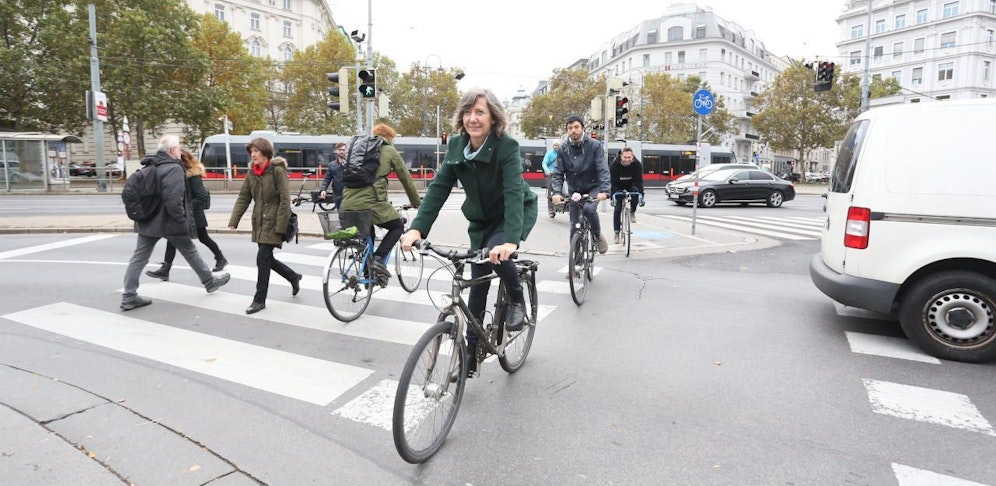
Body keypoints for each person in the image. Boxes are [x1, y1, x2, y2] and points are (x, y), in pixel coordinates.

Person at [400, 88, 538, 378]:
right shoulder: (457, 145)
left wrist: (510, 240)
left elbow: (514, 192)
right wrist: (416, 229)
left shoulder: (506, 146)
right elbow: (439, 188)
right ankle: (471, 357)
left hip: (511, 215)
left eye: (480, 112)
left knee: (498, 255)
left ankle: (517, 298)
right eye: (467, 112)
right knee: (477, 286)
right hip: (481, 221)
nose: (472, 118)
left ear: (493, 118)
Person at [120, 135, 230, 310]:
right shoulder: (173, 168)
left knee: (139, 257)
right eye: (178, 147)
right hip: (169, 221)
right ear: (172, 150)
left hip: (149, 220)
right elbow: (173, 200)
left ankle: (129, 296)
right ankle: (209, 282)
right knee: (190, 250)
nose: (180, 150)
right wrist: (182, 221)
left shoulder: (152, 165)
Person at [339, 123, 421, 284]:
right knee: (397, 226)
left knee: (367, 236)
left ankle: (369, 276)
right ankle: (378, 258)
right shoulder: (388, 150)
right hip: (372, 203)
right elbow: (405, 177)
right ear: (389, 137)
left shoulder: (359, 151)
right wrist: (415, 201)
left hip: (347, 202)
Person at [227, 139, 301, 315]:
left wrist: (280, 227)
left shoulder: (277, 171)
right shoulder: (252, 173)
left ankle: (259, 300)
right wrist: (234, 220)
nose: (253, 155)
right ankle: (293, 276)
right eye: (251, 151)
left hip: (274, 222)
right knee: (267, 259)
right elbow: (244, 197)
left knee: (262, 259)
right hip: (259, 222)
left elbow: (285, 201)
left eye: (256, 151)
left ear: (266, 153)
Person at [146, 149, 228, 280]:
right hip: (185, 213)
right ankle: (165, 269)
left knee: (203, 238)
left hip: (194, 215)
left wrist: (186, 207)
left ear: (183, 162)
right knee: (172, 238)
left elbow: (201, 196)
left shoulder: (193, 175)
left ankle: (220, 258)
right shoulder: (180, 174)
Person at [550, 115, 610, 254]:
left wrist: (605, 190)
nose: (573, 130)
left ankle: (597, 235)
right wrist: (556, 192)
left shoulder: (595, 145)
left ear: (583, 128)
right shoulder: (563, 149)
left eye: (576, 127)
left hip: (593, 187)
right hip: (575, 189)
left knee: (589, 209)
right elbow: (558, 172)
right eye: (570, 128)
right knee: (574, 225)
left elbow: (602, 168)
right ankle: (575, 260)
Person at [610, 147, 645, 244]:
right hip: (618, 186)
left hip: (631, 185)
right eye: (625, 157)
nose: (627, 160)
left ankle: (632, 211)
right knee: (617, 209)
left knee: (635, 194)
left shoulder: (637, 165)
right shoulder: (614, 165)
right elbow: (613, 182)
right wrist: (613, 196)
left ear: (632, 156)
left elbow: (639, 181)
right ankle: (616, 233)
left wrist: (641, 195)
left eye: (629, 157)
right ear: (621, 156)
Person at [318, 142, 346, 209]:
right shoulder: (332, 165)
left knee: (346, 213)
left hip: (348, 194)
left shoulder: (351, 164)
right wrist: (323, 189)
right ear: (336, 151)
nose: (341, 151)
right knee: (340, 212)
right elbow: (327, 179)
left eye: (343, 150)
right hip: (337, 194)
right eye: (340, 150)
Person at [541, 141, 561, 216]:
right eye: (555, 145)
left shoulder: (562, 153)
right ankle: (551, 209)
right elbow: (544, 163)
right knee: (551, 190)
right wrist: (547, 170)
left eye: (558, 145)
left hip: (560, 173)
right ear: (553, 146)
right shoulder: (549, 153)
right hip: (551, 174)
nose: (556, 146)